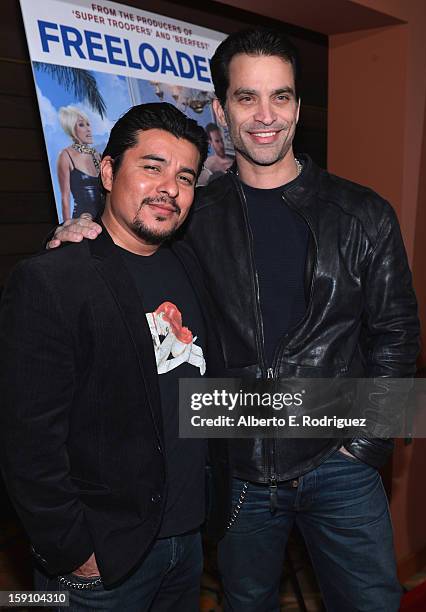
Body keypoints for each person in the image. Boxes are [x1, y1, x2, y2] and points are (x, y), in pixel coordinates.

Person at [47, 28, 420, 612]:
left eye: (281, 97)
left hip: (342, 465)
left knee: (372, 603)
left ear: (298, 106)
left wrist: (365, 446)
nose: (265, 115)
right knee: (246, 602)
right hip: (236, 468)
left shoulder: (364, 212)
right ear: (221, 109)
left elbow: (397, 334)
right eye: (247, 98)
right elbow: (127, 245)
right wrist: (81, 230)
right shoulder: (191, 214)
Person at [0, 102, 222, 611]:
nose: (170, 187)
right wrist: (75, 549)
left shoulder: (193, 265)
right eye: (152, 167)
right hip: (103, 561)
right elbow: (27, 440)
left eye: (185, 176)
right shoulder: (52, 279)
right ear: (106, 171)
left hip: (187, 546)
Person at [57, 105, 102, 221]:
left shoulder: (96, 155)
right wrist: (67, 226)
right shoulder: (66, 155)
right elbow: (65, 197)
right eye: (81, 125)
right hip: (82, 220)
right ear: (72, 129)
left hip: (104, 218)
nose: (88, 129)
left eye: (88, 124)